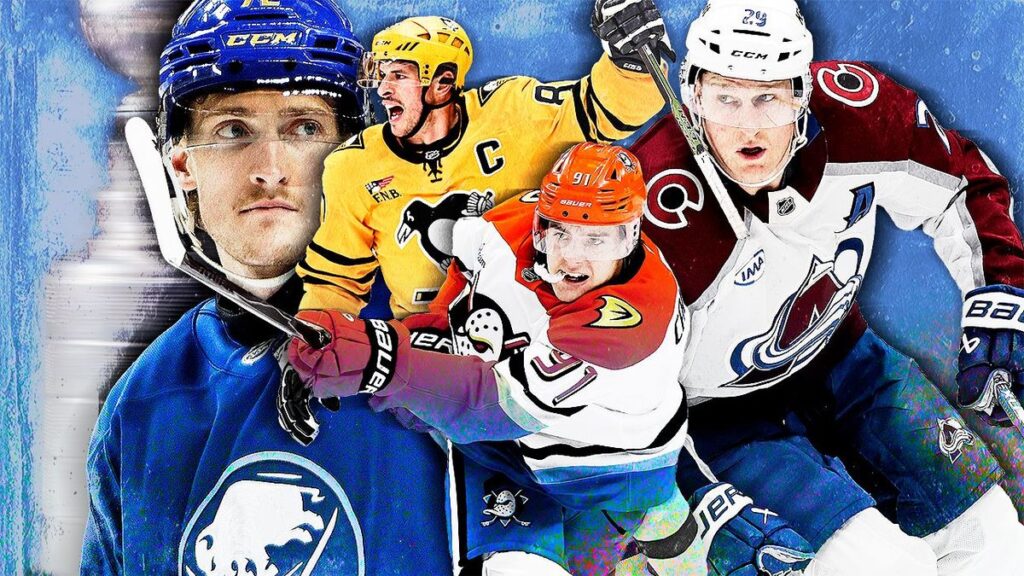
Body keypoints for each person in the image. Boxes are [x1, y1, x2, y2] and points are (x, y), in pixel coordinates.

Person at [628, 0, 1024, 574]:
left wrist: (999, 295)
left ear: (802, 91)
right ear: (691, 96)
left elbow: (962, 183)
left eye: (769, 97)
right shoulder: (651, 213)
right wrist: (691, 502)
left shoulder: (861, 115)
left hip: (850, 360)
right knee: (877, 565)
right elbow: (615, 394)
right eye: (726, 99)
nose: (748, 126)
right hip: (723, 422)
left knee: (995, 541)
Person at [80, 1, 451, 574]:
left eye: (305, 127)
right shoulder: (142, 403)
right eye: (233, 129)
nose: (270, 167)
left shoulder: (448, 347)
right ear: (180, 167)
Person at [281, 143, 725, 575]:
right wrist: (373, 347)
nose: (571, 256)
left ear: (630, 237)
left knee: (628, 545)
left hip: (611, 462)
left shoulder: (630, 322)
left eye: (598, 238)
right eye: (559, 229)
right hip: (516, 446)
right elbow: (460, 300)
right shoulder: (509, 224)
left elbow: (492, 407)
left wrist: (386, 364)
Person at [295, 1, 676, 319]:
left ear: (443, 83)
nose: (384, 89)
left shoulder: (513, 112)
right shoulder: (352, 166)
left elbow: (608, 112)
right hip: (426, 349)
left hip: (537, 333)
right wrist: (314, 348)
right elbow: (335, 283)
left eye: (398, 75)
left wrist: (631, 64)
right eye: (380, 76)